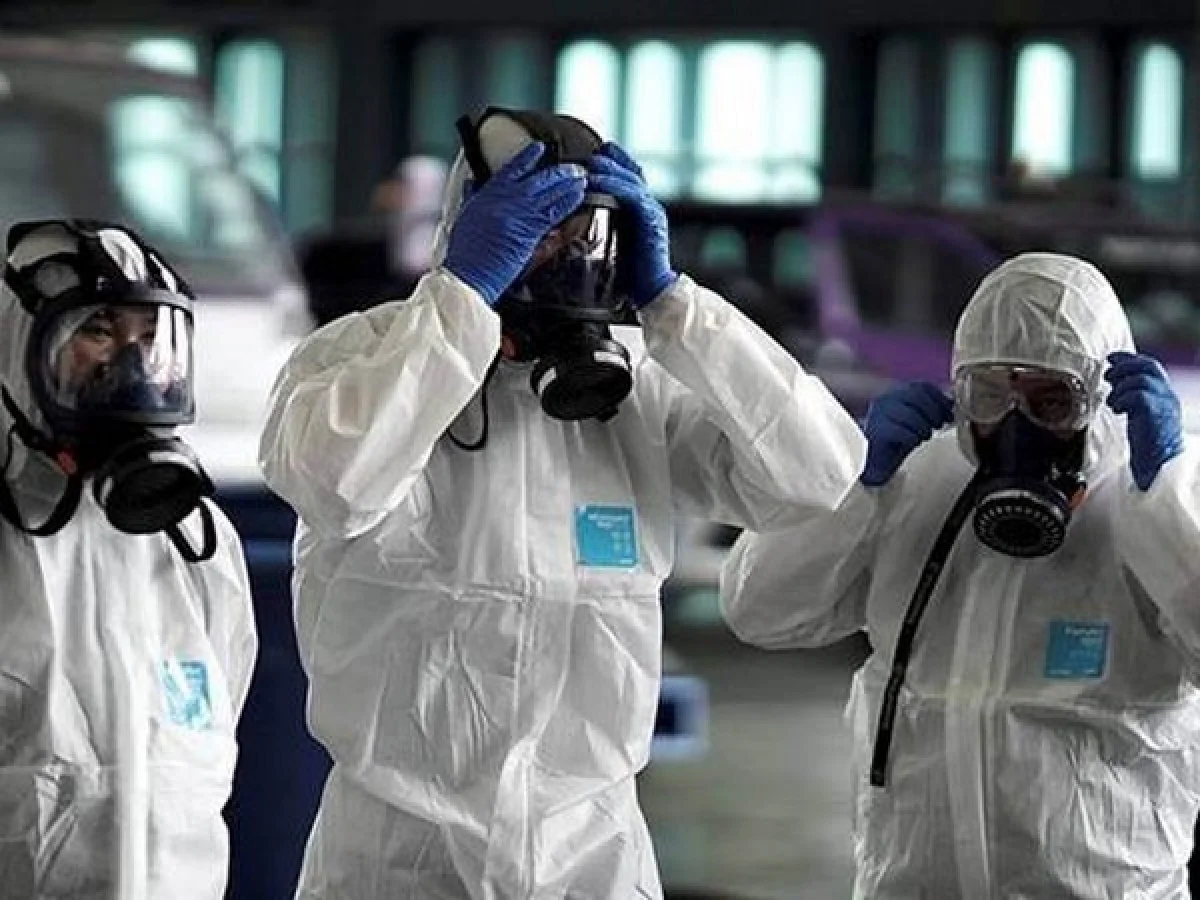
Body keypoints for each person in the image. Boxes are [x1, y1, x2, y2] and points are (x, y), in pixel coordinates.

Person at [258, 106, 865, 898]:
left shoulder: (638, 388)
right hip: (398, 859)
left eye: (587, 235)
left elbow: (820, 475)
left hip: (590, 857)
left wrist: (675, 305)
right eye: (539, 230)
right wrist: (462, 300)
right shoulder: (359, 355)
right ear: (473, 225)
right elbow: (334, 484)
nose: (566, 257)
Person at [720, 251, 1200, 898]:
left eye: (1052, 400)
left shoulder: (1157, 497)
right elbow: (758, 611)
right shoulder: (916, 481)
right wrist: (854, 486)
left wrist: (1167, 498)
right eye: (990, 394)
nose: (1016, 426)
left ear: (1100, 397)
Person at [0, 219, 258, 898]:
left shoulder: (195, 539)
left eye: (150, 338)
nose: (132, 366)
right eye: (99, 331)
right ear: (18, 345)